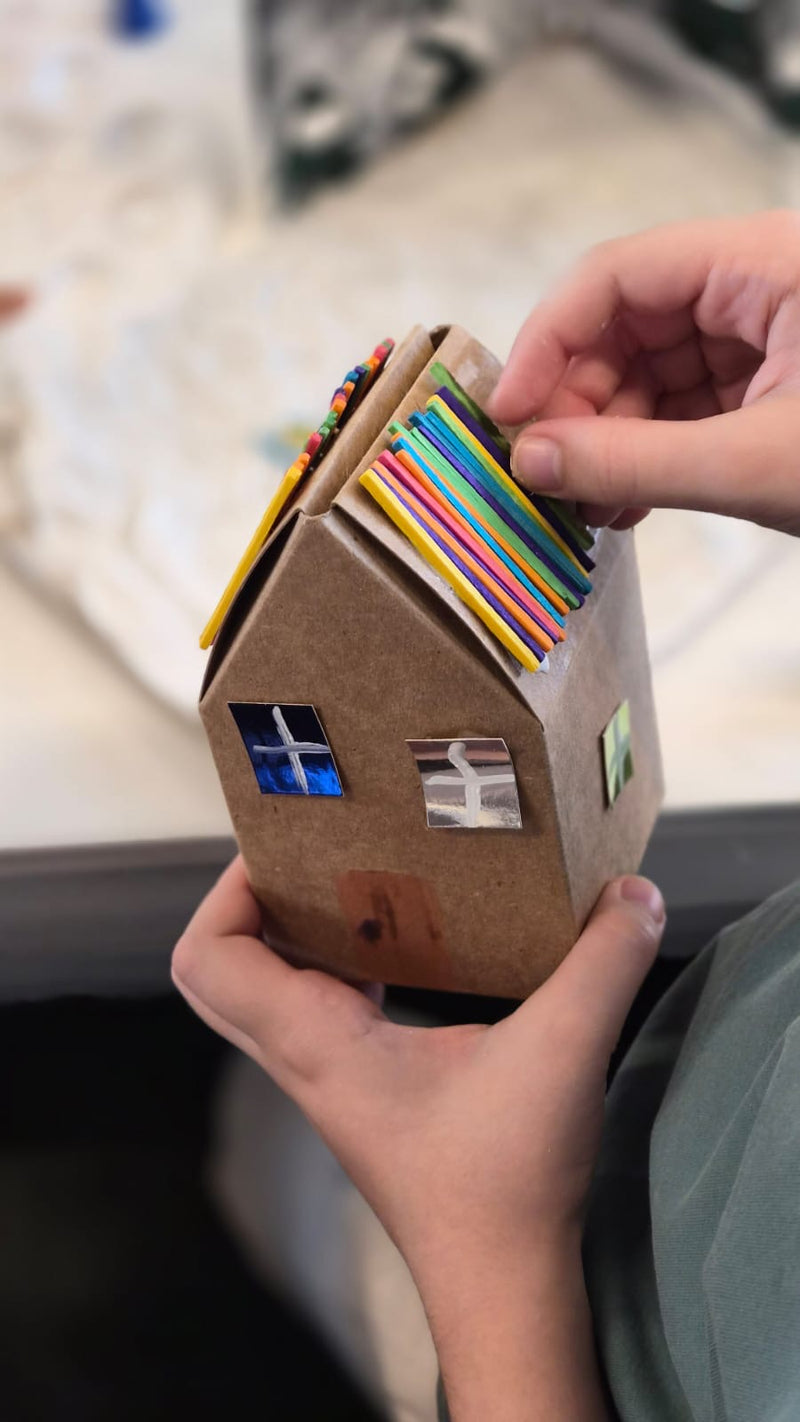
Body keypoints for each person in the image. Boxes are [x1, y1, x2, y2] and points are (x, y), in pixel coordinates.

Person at [173, 210, 800, 1421]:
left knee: (271, 1167)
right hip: (634, 1114)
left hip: (550, 1312)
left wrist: (481, 1249)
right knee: (279, 1138)